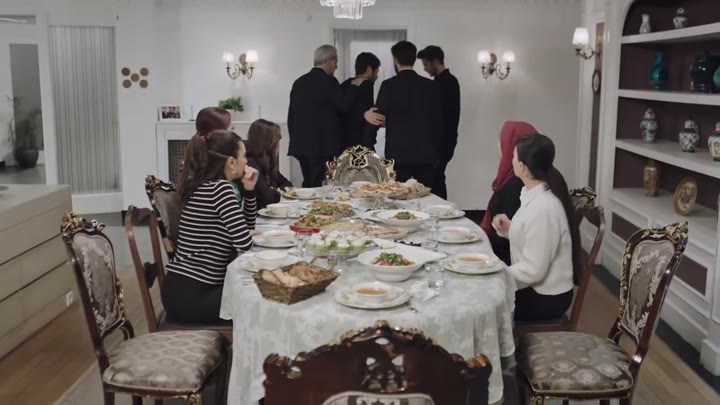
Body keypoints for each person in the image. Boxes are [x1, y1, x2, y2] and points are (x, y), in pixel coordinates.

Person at [161, 129, 259, 323]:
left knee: (256, 292)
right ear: (231, 162)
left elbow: (244, 229)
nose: (246, 162)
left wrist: (249, 190)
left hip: (183, 291)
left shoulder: (208, 186)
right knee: (260, 298)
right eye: (244, 156)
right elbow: (244, 244)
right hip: (193, 296)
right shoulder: (221, 189)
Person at [492, 134, 581, 322]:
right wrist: (510, 229)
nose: (511, 159)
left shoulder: (544, 207)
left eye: (513, 156)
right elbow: (538, 239)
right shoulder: (535, 195)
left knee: (486, 305)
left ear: (522, 166)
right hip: (536, 288)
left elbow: (534, 270)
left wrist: (494, 274)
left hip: (546, 297)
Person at [363, 41, 443, 187]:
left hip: (398, 155)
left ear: (395, 59)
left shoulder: (388, 86)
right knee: (425, 196)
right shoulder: (431, 86)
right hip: (426, 156)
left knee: (398, 196)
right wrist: (437, 154)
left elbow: (376, 118)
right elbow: (438, 124)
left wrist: (368, 146)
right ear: (414, 59)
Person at [288, 44, 366, 187]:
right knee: (319, 185)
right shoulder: (329, 81)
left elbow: (291, 116)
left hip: (301, 145)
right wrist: (354, 86)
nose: (336, 66)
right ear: (328, 61)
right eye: (336, 62)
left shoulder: (299, 82)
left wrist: (295, 140)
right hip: (322, 146)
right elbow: (343, 106)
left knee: (308, 182)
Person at [481, 121, 538, 266]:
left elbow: (511, 242)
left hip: (506, 262)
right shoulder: (515, 181)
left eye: (502, 139)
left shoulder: (517, 185)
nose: (498, 144)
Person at [417, 45, 460, 200]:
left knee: (435, 181)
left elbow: (440, 117)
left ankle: (440, 209)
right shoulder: (445, 81)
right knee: (436, 179)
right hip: (444, 141)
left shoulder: (445, 83)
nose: (425, 69)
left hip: (441, 143)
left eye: (426, 64)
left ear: (435, 61)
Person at [244, 118, 293, 209]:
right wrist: (277, 192)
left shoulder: (265, 161)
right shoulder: (251, 163)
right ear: (268, 144)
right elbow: (267, 199)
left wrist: (273, 191)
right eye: (276, 142)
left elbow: (286, 183)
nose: (278, 146)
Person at [340, 52, 380, 150]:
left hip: (343, 142)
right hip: (359, 143)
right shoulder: (366, 84)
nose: (377, 76)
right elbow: (368, 117)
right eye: (376, 72)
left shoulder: (344, 84)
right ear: (369, 69)